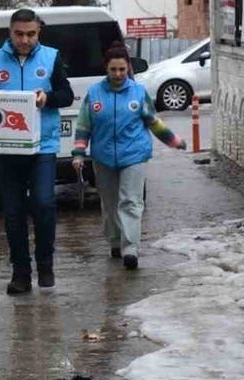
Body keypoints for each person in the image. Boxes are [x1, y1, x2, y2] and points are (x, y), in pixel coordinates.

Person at [0, 9, 74, 294]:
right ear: (10, 32)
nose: (25, 40)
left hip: (43, 147)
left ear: (38, 31)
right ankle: (20, 272)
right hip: (7, 150)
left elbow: (66, 95)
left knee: (43, 204)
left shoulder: (51, 57)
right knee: (13, 213)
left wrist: (48, 97)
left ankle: (45, 264)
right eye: (19, 34)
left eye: (31, 34)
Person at [71, 42, 186, 270]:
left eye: (122, 69)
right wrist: (78, 153)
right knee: (110, 203)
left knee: (131, 202)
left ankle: (130, 248)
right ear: (106, 68)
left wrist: (174, 141)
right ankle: (115, 240)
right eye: (113, 69)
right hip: (103, 157)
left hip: (133, 154)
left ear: (128, 69)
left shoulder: (138, 92)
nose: (118, 74)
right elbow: (84, 126)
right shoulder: (94, 93)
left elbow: (153, 121)